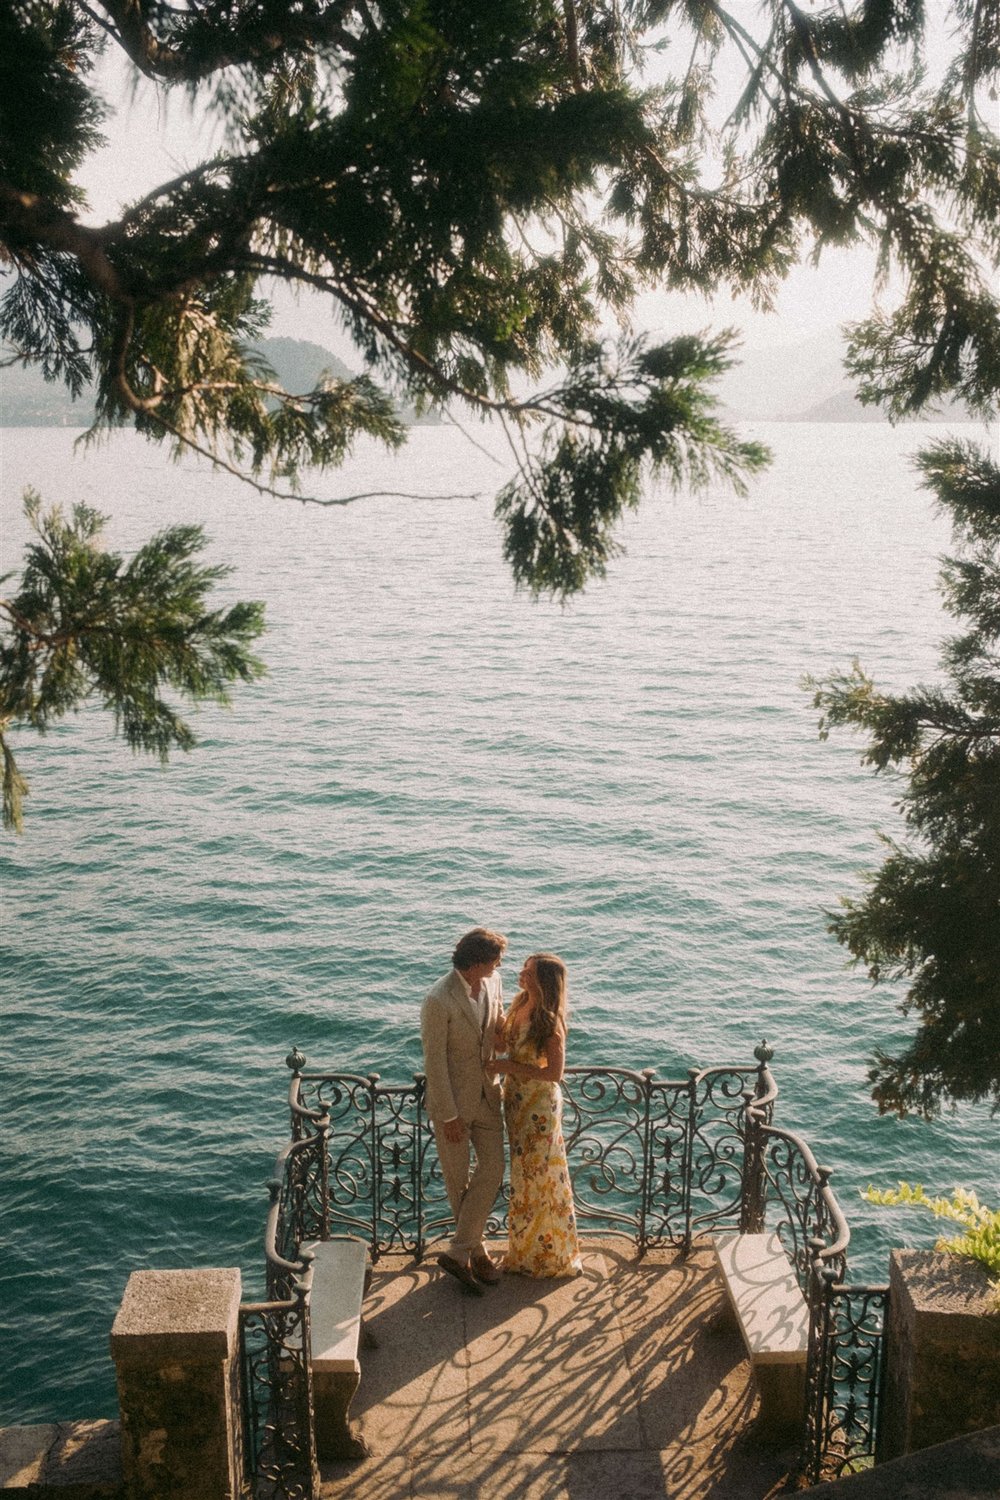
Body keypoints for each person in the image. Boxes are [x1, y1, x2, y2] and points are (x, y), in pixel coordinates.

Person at [421, 926, 508, 1293]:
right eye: (494, 960)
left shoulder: (494, 982)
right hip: (454, 1106)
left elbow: (498, 1027)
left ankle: (457, 1253)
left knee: (494, 1168)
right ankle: (480, 1254)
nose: (498, 966)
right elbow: (434, 1062)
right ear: (475, 963)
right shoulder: (438, 1000)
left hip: (489, 1096)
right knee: (459, 1184)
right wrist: (449, 1115)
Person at [489, 952, 582, 1277]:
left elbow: (554, 1074)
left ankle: (548, 1256)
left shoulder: (549, 1021)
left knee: (540, 1177)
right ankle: (524, 1251)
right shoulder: (518, 1003)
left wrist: (508, 1067)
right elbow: (503, 1044)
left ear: (542, 980)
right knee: (524, 1177)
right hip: (515, 1102)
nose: (521, 974)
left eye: (528, 972)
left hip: (539, 1107)